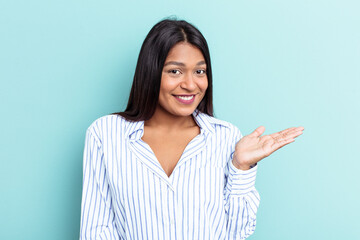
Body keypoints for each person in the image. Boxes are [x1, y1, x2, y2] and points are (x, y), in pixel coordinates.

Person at [79, 18, 304, 239]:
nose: (190, 84)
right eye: (175, 71)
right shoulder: (105, 134)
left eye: (199, 71)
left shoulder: (226, 138)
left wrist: (241, 167)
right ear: (151, 73)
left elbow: (236, 232)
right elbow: (97, 230)